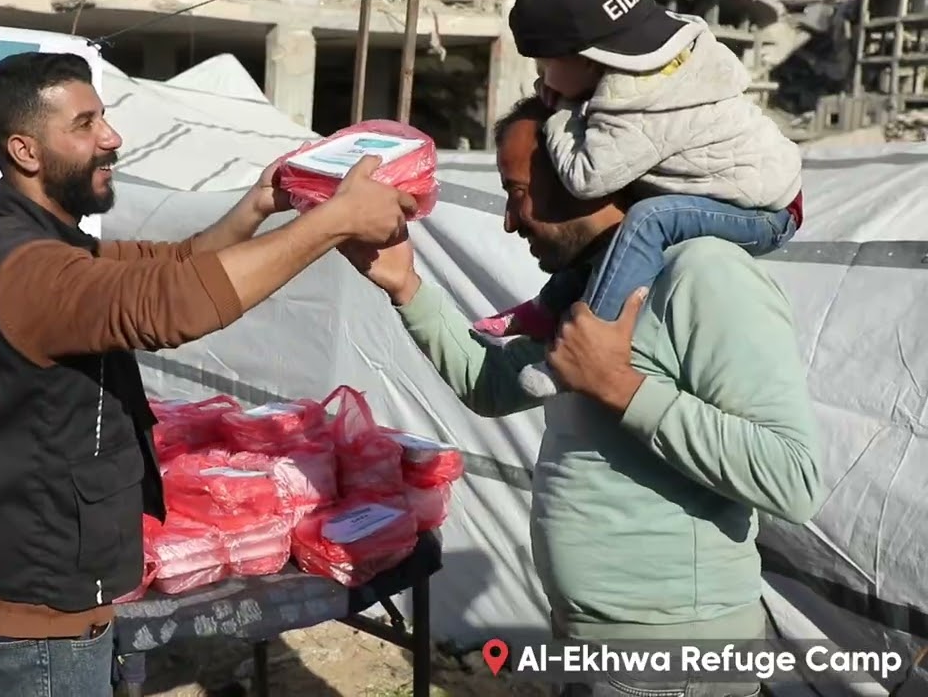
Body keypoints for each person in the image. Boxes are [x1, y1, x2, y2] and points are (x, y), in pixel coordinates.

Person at [0, 50, 416, 697]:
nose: (111, 138)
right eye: (85, 125)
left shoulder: (8, 231)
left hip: (6, 570)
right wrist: (333, 225)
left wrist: (257, 206)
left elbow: (163, 269)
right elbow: (169, 307)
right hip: (37, 616)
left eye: (104, 117)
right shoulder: (31, 270)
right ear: (25, 150)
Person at [341, 96, 823, 696]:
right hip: (591, 649)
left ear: (586, 178)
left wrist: (618, 385)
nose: (511, 222)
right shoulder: (598, 283)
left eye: (517, 193)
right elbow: (492, 386)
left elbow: (794, 480)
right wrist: (406, 286)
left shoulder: (704, 273)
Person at [473, 0, 804, 399]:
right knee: (619, 237)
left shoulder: (642, 101)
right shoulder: (650, 68)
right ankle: (546, 309)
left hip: (767, 211)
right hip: (749, 188)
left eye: (546, 67)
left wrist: (560, 114)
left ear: (591, 59)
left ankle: (588, 344)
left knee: (649, 219)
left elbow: (586, 175)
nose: (543, 81)